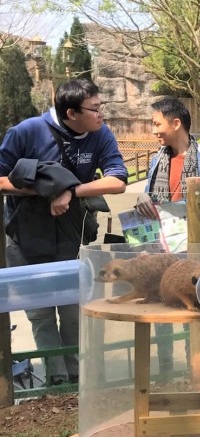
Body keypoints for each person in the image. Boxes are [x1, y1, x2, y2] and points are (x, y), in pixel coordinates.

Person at [0, 79, 128, 385]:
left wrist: (69, 190)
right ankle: (56, 379)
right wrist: (46, 191)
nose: (101, 115)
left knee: (73, 308)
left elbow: (117, 180)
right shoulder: (27, 131)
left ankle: (78, 377)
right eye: (95, 109)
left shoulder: (100, 134)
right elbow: (1, 178)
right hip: (26, 236)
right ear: (71, 113)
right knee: (40, 311)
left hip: (72, 233)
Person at [135, 97, 200, 375]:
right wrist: (144, 200)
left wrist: (196, 247)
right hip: (163, 255)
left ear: (176, 123)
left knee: (194, 312)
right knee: (162, 311)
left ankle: (197, 371)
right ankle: (165, 369)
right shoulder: (158, 161)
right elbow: (154, 200)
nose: (154, 131)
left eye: (157, 124)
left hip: (193, 255)